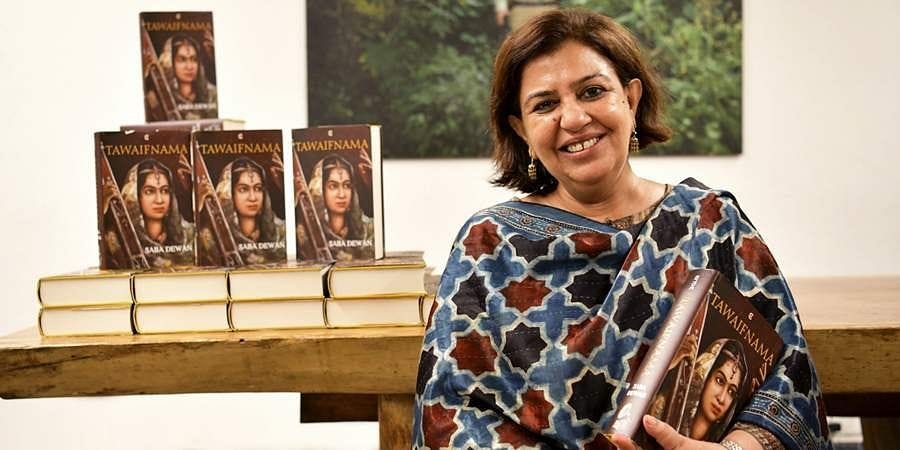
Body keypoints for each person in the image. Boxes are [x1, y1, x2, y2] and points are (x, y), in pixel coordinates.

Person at [413, 9, 830, 450]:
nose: (573, 119)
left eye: (592, 91)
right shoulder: (488, 246)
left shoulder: (710, 222)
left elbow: (790, 377)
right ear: (521, 129)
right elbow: (450, 415)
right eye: (545, 104)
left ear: (631, 100)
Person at [200, 157, 284, 265]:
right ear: (229, 194)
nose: (253, 198)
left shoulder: (281, 233)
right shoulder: (211, 238)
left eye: (258, 188)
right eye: (243, 189)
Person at [120, 158, 194, 267]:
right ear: (135, 196)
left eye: (164, 191)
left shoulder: (189, 235)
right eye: (149, 191)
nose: (159, 200)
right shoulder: (124, 242)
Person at [301, 154, 374, 261]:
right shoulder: (307, 236)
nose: (342, 194)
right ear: (320, 190)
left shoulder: (369, 231)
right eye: (333, 186)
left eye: (347, 185)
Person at [147, 34, 218, 120]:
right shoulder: (158, 99)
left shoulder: (213, 95)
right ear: (169, 63)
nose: (189, 67)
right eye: (182, 60)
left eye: (194, 59)